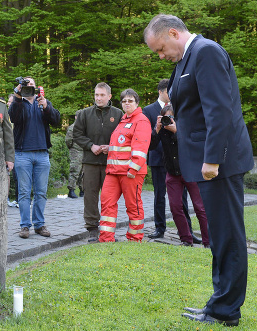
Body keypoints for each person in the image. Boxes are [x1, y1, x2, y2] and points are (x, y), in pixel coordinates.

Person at [145, 14, 254, 326]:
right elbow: (192, 105)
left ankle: (227, 311)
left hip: (220, 163)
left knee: (228, 235)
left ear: (174, 33)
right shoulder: (185, 59)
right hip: (205, 162)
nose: (160, 55)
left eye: (160, 48)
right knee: (219, 236)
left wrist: (213, 159)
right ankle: (218, 303)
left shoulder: (205, 52)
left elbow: (219, 110)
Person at [143, 79, 197, 242]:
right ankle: (159, 228)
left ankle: (188, 231)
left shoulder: (179, 108)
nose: (172, 94)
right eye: (169, 91)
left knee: (182, 199)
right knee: (159, 195)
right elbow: (148, 137)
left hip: (180, 161)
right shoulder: (148, 110)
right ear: (161, 92)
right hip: (158, 159)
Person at [9, 77, 61, 239]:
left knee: (41, 192)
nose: (29, 88)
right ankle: (25, 226)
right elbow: (13, 118)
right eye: (26, 86)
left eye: (31, 84)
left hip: (42, 153)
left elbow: (56, 121)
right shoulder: (18, 103)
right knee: (24, 193)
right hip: (22, 153)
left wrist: (46, 107)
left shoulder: (44, 103)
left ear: (37, 87)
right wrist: (17, 95)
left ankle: (39, 224)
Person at [152, 104, 209, 247]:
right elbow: (151, 146)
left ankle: (209, 241)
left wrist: (177, 131)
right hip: (172, 173)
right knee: (175, 207)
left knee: (200, 207)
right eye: (166, 117)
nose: (169, 120)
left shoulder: (187, 127)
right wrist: (157, 129)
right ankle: (186, 239)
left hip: (190, 171)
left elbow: (192, 144)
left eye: (171, 117)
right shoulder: (162, 130)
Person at [98, 89, 151, 242]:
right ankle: (106, 239)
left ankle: (135, 239)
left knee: (133, 206)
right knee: (107, 203)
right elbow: (123, 144)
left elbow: (141, 147)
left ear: (137, 103)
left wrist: (133, 168)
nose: (127, 103)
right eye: (124, 101)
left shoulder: (141, 120)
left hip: (130, 172)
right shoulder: (124, 120)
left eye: (130, 100)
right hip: (113, 172)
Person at [73, 83, 123, 243]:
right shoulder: (85, 114)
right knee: (90, 196)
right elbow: (77, 135)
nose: (98, 98)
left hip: (111, 163)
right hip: (91, 162)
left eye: (102, 95)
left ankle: (108, 230)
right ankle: (92, 230)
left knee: (109, 198)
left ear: (109, 96)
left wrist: (112, 147)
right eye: (96, 95)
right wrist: (90, 146)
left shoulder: (118, 113)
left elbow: (124, 135)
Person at [65, 113, 83, 198]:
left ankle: (82, 190)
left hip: (84, 151)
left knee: (84, 172)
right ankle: (71, 190)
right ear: (76, 117)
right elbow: (68, 140)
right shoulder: (72, 127)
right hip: (76, 151)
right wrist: (72, 148)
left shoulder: (85, 127)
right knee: (75, 170)